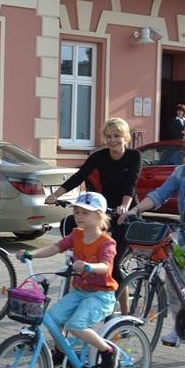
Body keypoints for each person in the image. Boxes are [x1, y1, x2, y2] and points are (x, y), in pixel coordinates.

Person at [44, 117, 141, 312]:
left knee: (113, 266)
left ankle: (125, 314)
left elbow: (131, 184)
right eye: (108, 136)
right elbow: (79, 176)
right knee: (83, 255)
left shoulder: (134, 156)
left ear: (125, 137)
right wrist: (55, 195)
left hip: (124, 213)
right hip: (102, 212)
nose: (112, 140)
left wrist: (124, 207)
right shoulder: (100, 156)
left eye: (117, 136)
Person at [16, 192, 118, 368]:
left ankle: (107, 351)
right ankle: (62, 353)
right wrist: (32, 254)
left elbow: (105, 266)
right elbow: (55, 248)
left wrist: (89, 266)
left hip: (101, 295)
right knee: (53, 319)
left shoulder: (106, 243)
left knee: (76, 325)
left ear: (99, 215)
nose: (79, 216)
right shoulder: (76, 235)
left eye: (85, 212)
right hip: (79, 292)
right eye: (77, 212)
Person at [119, 158, 185, 347]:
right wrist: (136, 209)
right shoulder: (181, 172)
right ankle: (179, 326)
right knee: (175, 284)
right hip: (183, 238)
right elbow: (159, 195)